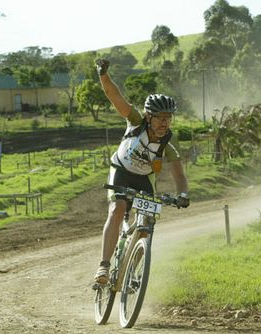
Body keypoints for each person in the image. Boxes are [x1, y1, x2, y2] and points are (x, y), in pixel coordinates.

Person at [93, 58, 189, 284]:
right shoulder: (136, 122)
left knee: (147, 224)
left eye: (168, 118)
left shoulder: (168, 145)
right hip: (121, 170)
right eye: (160, 118)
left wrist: (183, 195)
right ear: (149, 117)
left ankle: (132, 272)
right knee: (118, 208)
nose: (164, 123)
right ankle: (104, 267)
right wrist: (103, 74)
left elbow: (180, 175)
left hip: (144, 179)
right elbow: (114, 96)